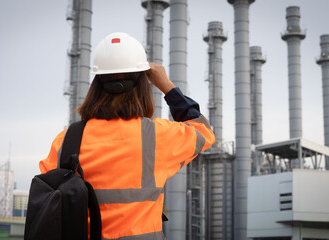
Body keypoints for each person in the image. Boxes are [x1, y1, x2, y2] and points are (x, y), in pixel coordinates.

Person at [39, 32, 215, 240]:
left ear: (95, 86)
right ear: (143, 86)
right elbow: (203, 130)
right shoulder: (158, 136)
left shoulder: (66, 140)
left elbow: (47, 199)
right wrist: (167, 87)